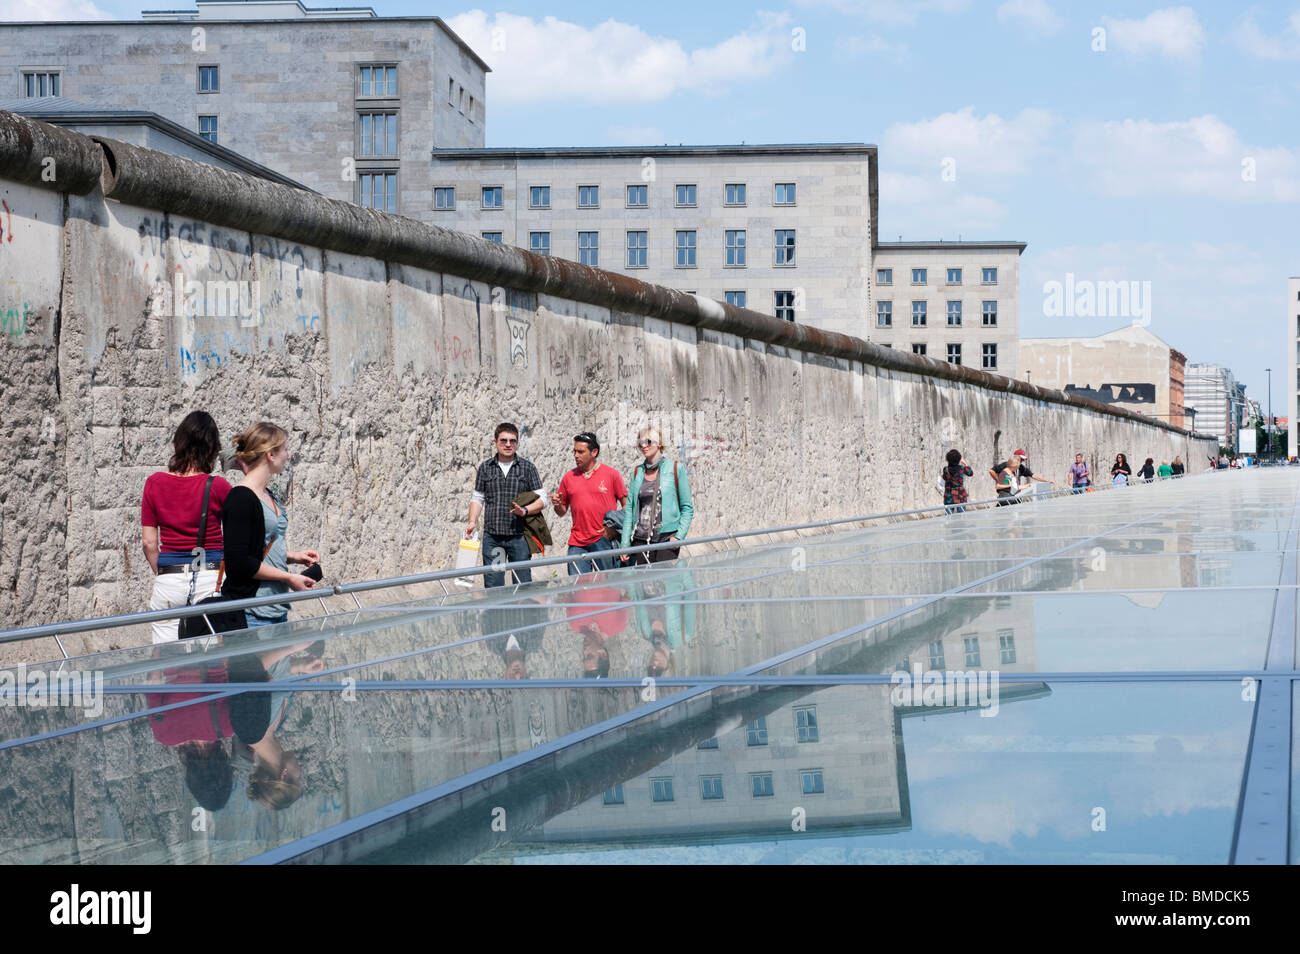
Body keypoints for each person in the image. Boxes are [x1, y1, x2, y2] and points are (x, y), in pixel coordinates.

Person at [141, 411, 233, 644]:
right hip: (208, 577)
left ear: (179, 442)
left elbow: (149, 543)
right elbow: (235, 538)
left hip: (169, 578)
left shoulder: (154, 483)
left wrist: (165, 573)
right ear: (211, 447)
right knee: (208, 659)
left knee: (166, 656)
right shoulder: (219, 486)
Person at [222, 422, 319, 629]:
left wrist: (293, 556)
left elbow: (257, 547)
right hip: (252, 611)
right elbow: (238, 561)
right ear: (270, 455)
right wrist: (289, 577)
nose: (289, 456)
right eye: (285, 449)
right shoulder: (240, 497)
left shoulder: (267, 495)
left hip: (275, 608)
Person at [466, 422, 547, 588]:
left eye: (512, 441)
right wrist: (472, 522)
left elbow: (542, 499)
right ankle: (496, 614)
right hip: (493, 538)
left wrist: (525, 510)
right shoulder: (485, 468)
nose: (508, 444)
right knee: (494, 586)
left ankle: (524, 614)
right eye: (503, 440)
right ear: (495, 442)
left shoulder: (527, 468)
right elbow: (478, 498)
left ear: (517, 443)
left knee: (523, 585)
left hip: (519, 537)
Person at [551, 432, 627, 575]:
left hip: (603, 540)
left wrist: (615, 529)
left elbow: (626, 506)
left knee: (607, 586)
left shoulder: (611, 474)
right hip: (577, 542)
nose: (576, 455)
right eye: (574, 451)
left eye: (580, 452)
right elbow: (561, 512)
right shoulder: (568, 477)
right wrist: (557, 504)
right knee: (579, 587)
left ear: (594, 452)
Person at [619, 426, 694, 565]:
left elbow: (687, 507)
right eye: (640, 443)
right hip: (640, 539)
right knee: (644, 583)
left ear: (659, 443)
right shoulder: (637, 472)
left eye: (648, 441)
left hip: (666, 539)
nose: (644, 446)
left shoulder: (675, 468)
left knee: (665, 582)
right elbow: (629, 509)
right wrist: (624, 544)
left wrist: (679, 537)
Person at [940, 448, 973, 514]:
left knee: (949, 517)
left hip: (949, 496)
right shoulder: (962, 469)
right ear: (959, 459)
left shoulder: (945, 469)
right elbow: (970, 473)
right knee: (961, 517)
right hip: (960, 496)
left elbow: (944, 477)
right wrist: (965, 463)